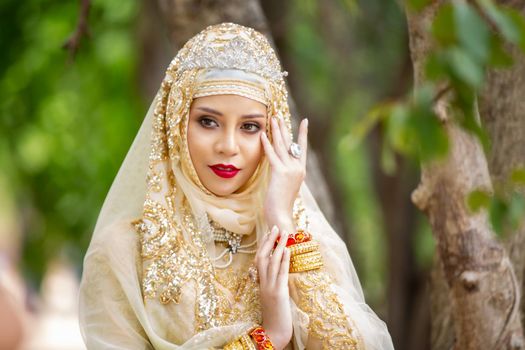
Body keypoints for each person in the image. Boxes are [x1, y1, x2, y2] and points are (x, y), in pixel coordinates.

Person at [79, 23, 394, 350]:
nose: (228, 145)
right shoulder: (123, 251)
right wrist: (266, 339)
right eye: (208, 121)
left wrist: (282, 224)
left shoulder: (298, 236)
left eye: (250, 127)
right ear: (174, 123)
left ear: (273, 135)